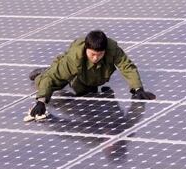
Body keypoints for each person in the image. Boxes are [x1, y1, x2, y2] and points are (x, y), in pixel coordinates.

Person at [26, 30, 155, 121]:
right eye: (92, 54)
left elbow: (127, 67)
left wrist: (138, 89)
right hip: (75, 71)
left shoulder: (113, 49)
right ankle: (42, 72)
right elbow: (51, 78)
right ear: (86, 48)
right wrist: (41, 102)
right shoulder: (74, 59)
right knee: (53, 83)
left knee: (87, 89)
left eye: (100, 54)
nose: (95, 57)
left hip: (95, 76)